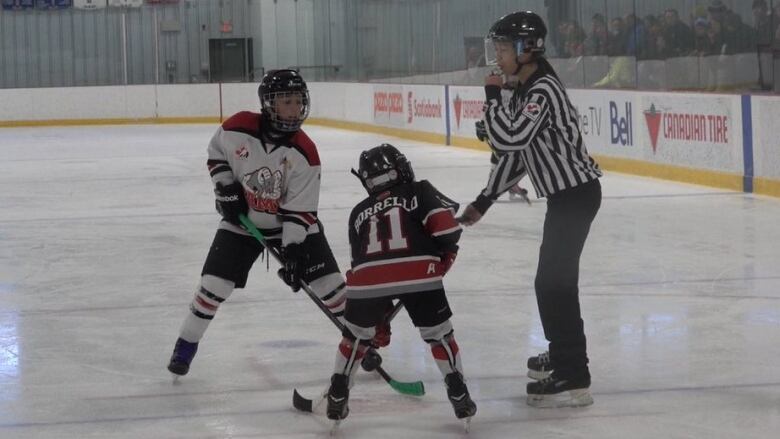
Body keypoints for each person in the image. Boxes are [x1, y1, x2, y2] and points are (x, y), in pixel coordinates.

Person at [166, 69, 389, 377]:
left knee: (333, 290)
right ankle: (185, 347)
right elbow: (215, 154)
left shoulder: (305, 152)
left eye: (299, 101)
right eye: (286, 101)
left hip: (293, 227)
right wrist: (225, 187)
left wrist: (294, 252)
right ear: (269, 104)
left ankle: (364, 344)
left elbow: (299, 211)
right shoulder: (237, 128)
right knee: (212, 287)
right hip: (242, 225)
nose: (295, 109)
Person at [459, 11, 602, 408]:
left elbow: (508, 138)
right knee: (553, 283)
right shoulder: (524, 90)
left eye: (503, 48)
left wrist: (491, 100)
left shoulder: (541, 91)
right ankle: (567, 361)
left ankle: (573, 371)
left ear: (527, 49)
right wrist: (483, 201)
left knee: (554, 284)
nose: (497, 56)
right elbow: (517, 156)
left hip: (576, 195)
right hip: (567, 196)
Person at [325, 144, 476, 426]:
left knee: (355, 337)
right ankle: (458, 391)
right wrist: (443, 258)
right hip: (419, 273)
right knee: (439, 334)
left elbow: (364, 264)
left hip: (367, 280)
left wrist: (377, 316)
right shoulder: (420, 190)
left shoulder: (358, 211)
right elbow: (447, 231)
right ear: (401, 168)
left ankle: (338, 392)